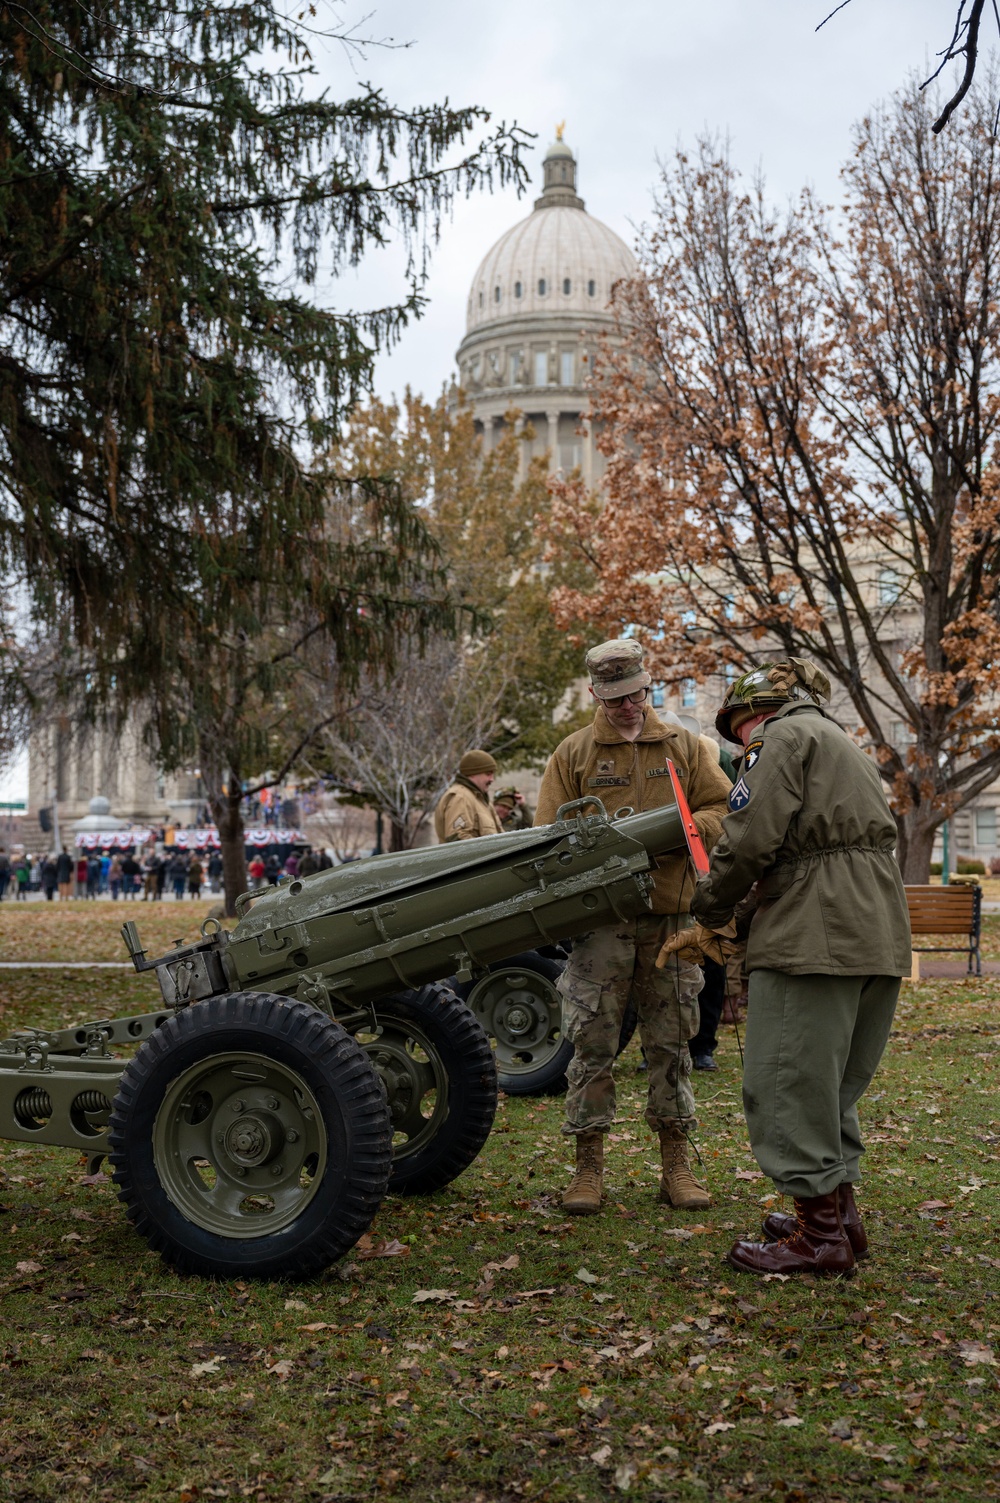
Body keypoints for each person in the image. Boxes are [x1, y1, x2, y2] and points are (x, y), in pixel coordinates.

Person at [658, 659, 911, 1277]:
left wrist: (711, 907)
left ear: (750, 714)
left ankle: (818, 1238)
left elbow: (749, 838)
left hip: (812, 934)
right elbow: (812, 848)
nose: (738, 741)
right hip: (873, 927)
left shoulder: (780, 738)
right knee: (831, 1084)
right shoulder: (839, 742)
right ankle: (838, 1215)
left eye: (736, 729)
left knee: (787, 1079)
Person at [533, 639, 732, 1216]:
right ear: (596, 693)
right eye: (615, 697)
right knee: (592, 1042)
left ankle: (676, 1165)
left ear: (649, 686)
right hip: (602, 924)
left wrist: (684, 830)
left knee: (671, 1042)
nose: (628, 707)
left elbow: (723, 812)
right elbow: (548, 836)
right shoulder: (574, 753)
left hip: (671, 919)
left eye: (637, 695)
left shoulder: (685, 748)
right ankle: (588, 1168)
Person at [434, 751, 504, 843]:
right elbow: (457, 840)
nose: (492, 779)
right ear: (472, 773)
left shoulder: (481, 800)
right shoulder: (460, 797)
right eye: (488, 774)